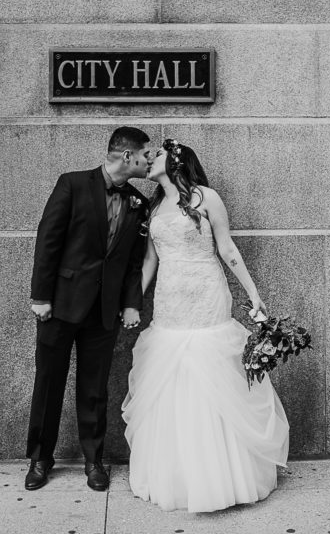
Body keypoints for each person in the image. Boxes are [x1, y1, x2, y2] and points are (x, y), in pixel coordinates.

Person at [121, 138, 289, 513]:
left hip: (206, 293)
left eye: (157, 155)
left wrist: (254, 295)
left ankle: (223, 474)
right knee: (172, 371)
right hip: (169, 299)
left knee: (209, 367)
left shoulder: (206, 198)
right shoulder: (154, 206)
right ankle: (178, 474)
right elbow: (150, 260)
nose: (149, 160)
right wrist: (133, 301)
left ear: (176, 161)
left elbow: (227, 249)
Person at [25, 126, 153, 491]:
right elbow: (48, 239)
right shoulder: (72, 184)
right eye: (146, 154)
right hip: (60, 306)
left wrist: (131, 304)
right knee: (49, 383)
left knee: (95, 388)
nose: (148, 161)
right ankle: (40, 459)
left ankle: (94, 461)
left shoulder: (138, 204)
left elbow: (132, 262)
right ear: (127, 156)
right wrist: (40, 297)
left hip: (104, 312)